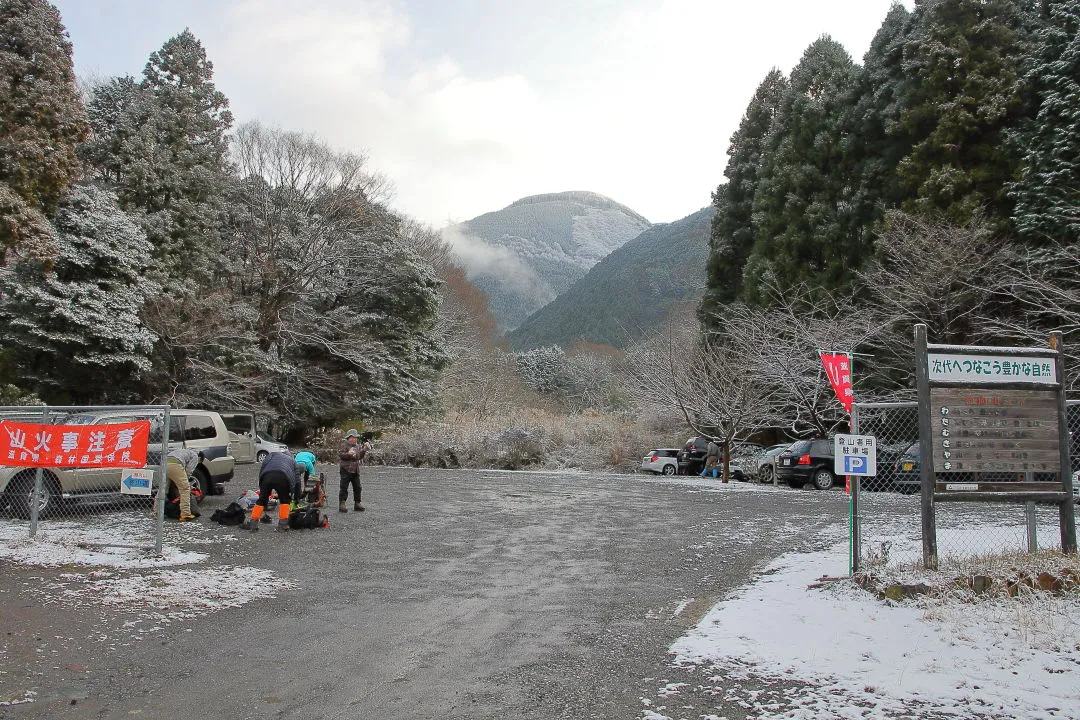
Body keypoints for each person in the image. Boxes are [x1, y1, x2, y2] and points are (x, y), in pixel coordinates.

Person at [244, 450, 298, 532]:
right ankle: (283, 526)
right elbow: (297, 480)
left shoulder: (272, 455)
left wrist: (262, 489)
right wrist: (296, 496)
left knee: (261, 500)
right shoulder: (292, 461)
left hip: (267, 476)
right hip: (282, 478)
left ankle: (253, 523)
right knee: (285, 501)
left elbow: (262, 468)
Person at [166, 447, 202, 522]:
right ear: (200, 457)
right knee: (185, 489)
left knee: (163, 489)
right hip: (175, 465)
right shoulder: (195, 455)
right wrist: (186, 481)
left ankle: (156, 512)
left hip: (164, 463)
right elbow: (188, 471)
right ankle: (185, 514)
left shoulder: (183, 451)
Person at [338, 428, 365, 513]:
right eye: (353, 437)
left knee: (358, 487)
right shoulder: (344, 445)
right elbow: (341, 455)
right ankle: (342, 503)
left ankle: (357, 503)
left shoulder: (357, 446)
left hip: (355, 470)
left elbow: (359, 456)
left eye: (356, 437)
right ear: (348, 437)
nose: (354, 439)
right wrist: (348, 455)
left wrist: (364, 450)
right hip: (345, 469)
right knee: (344, 487)